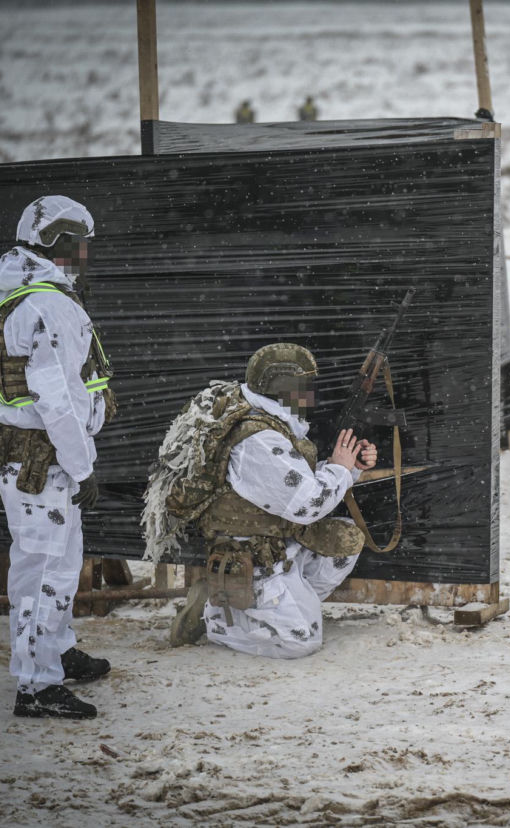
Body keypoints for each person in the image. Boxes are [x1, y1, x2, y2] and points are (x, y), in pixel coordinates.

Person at [160, 343, 376, 658]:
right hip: (250, 555)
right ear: (282, 388)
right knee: (301, 641)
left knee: (343, 540)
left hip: (278, 539)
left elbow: (293, 483)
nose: (311, 396)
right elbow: (308, 504)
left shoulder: (269, 423)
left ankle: (277, 605)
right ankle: (217, 621)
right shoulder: (257, 441)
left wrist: (350, 468)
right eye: (304, 387)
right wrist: (340, 469)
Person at [0, 195, 115, 719]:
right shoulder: (50, 306)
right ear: (60, 243)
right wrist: (82, 464)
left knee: (52, 564)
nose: (87, 250)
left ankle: (57, 650)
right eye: (81, 240)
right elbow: (59, 401)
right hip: (47, 464)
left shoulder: (17, 294)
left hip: (27, 462)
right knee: (46, 570)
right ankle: (37, 686)